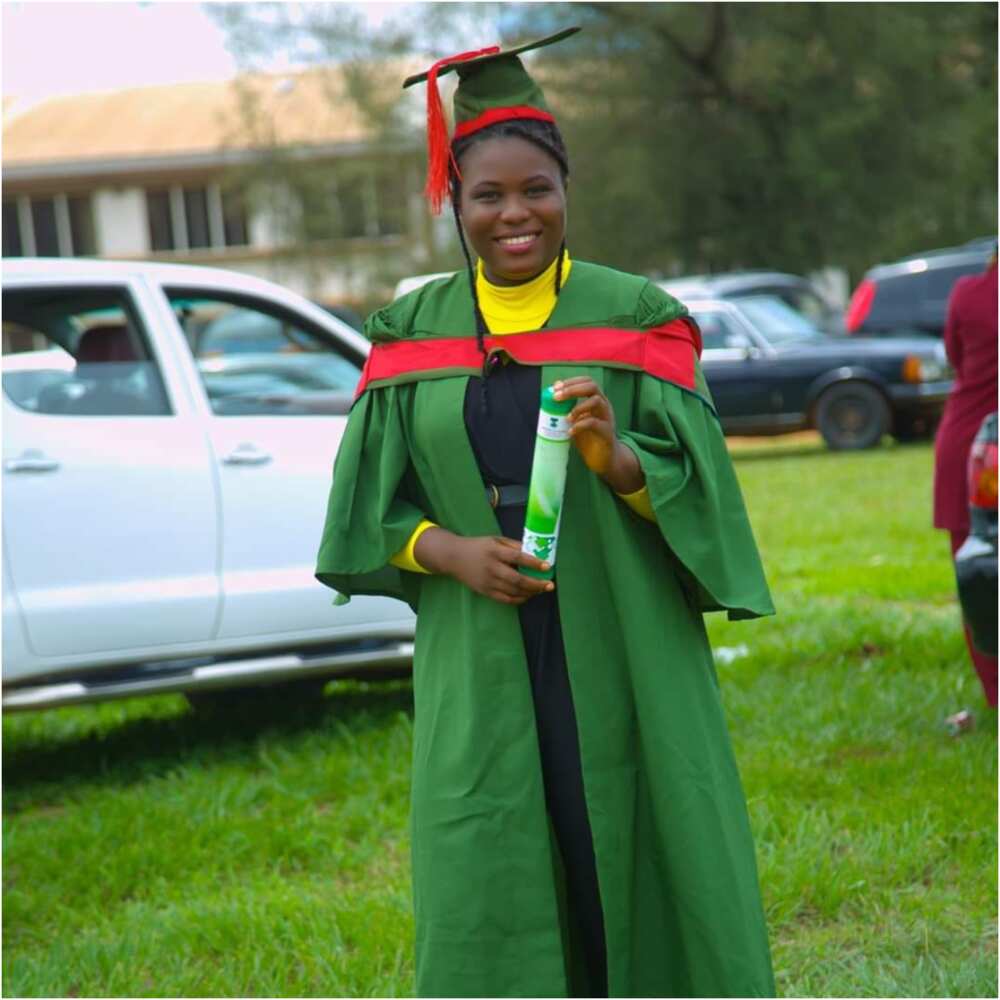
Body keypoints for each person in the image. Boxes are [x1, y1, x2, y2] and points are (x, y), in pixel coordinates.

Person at [316, 27, 776, 998]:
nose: (514, 214)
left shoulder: (636, 316)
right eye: (489, 194)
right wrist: (444, 550)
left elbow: (706, 504)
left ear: (567, 192)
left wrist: (618, 460)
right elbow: (365, 507)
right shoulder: (411, 332)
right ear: (456, 204)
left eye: (537, 189)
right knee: (494, 856)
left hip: (616, 636)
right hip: (481, 645)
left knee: (629, 832)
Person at [933, 246, 998, 709]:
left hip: (969, 446)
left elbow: (956, 356)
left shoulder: (968, 293)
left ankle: (995, 691)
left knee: (978, 577)